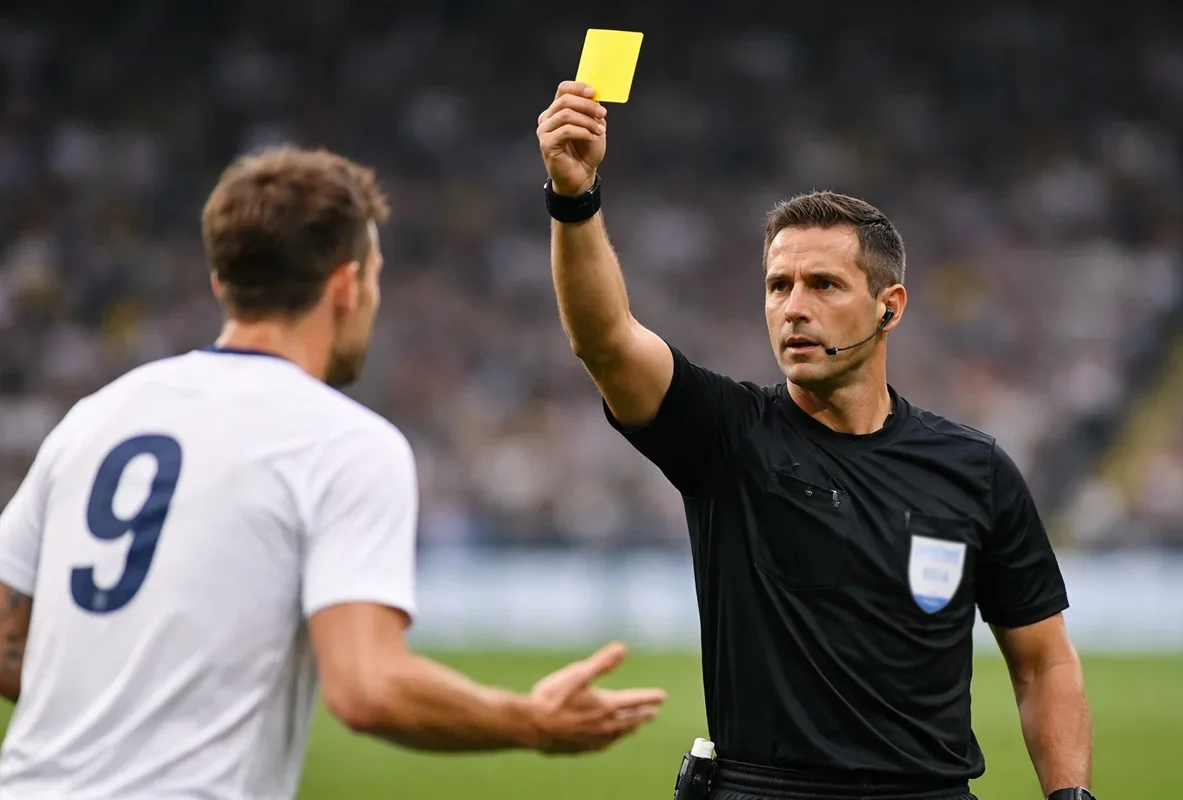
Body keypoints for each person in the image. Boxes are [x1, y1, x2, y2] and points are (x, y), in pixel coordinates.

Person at [0, 145, 666, 799]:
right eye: (375, 275)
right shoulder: (343, 442)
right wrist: (532, 721)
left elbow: (8, 633)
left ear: (222, 284)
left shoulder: (94, 418)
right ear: (348, 284)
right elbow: (367, 688)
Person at [535, 81, 1095, 800]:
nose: (794, 309)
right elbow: (605, 341)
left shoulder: (974, 469)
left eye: (824, 285)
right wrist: (574, 197)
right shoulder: (726, 436)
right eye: (778, 286)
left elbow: (1043, 661)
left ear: (889, 307)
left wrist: (1070, 797)